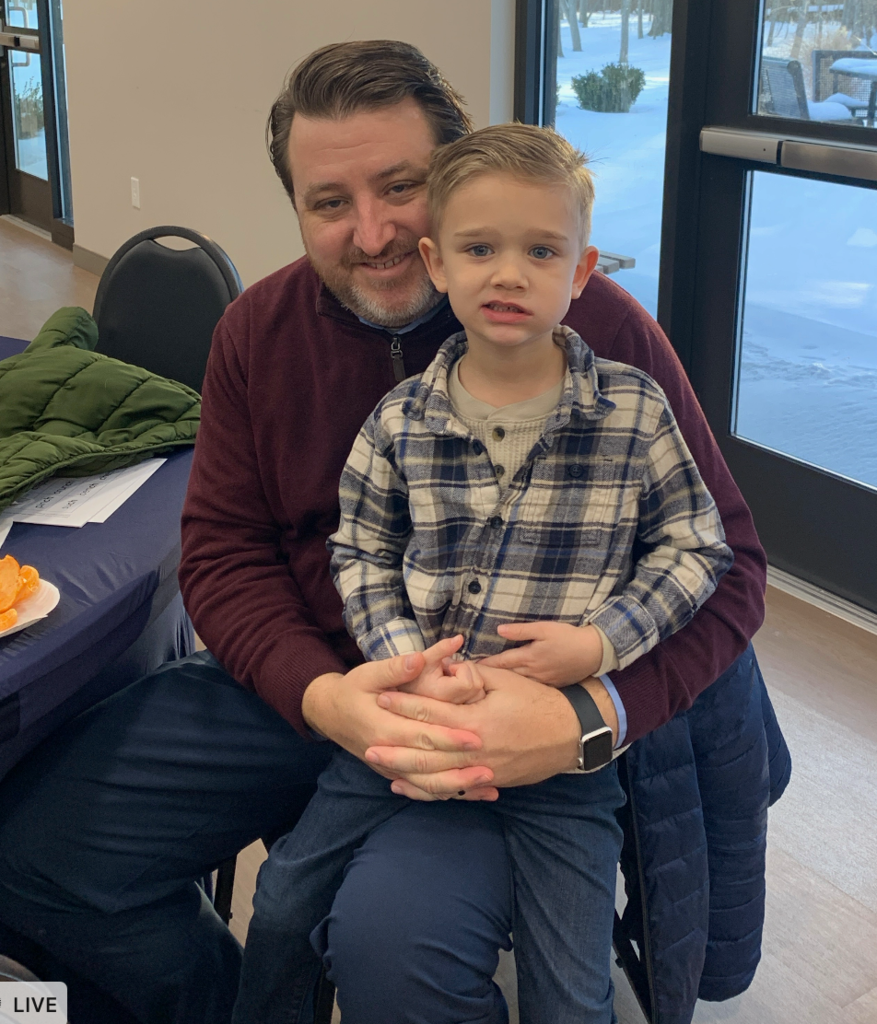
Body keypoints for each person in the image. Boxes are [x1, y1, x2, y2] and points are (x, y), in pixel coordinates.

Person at [0, 40, 767, 1024]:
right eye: (329, 203)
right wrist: (322, 695)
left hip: (491, 709)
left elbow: (730, 567)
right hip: (299, 688)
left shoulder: (592, 331)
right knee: (34, 854)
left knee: (393, 951)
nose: (370, 233)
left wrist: (595, 711)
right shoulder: (256, 334)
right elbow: (225, 555)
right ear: (296, 209)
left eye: (399, 187)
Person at [232, 123, 734, 1024]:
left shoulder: (632, 410)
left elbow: (701, 548)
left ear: (581, 274)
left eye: (540, 251)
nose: (507, 274)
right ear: (437, 263)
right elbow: (360, 551)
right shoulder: (398, 421)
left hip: (566, 770)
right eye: (478, 249)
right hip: (408, 724)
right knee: (279, 904)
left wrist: (599, 643)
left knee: (571, 986)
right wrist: (401, 664)